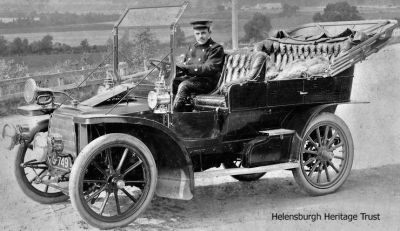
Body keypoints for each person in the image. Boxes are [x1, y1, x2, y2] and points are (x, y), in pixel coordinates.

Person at [173, 20, 225, 112]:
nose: (200, 36)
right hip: (193, 79)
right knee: (172, 82)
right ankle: (183, 111)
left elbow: (209, 68)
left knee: (184, 85)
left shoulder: (216, 48)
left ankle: (175, 115)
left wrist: (186, 68)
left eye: (203, 33)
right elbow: (186, 64)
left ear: (209, 33)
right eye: (197, 34)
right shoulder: (192, 47)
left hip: (208, 82)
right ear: (194, 34)